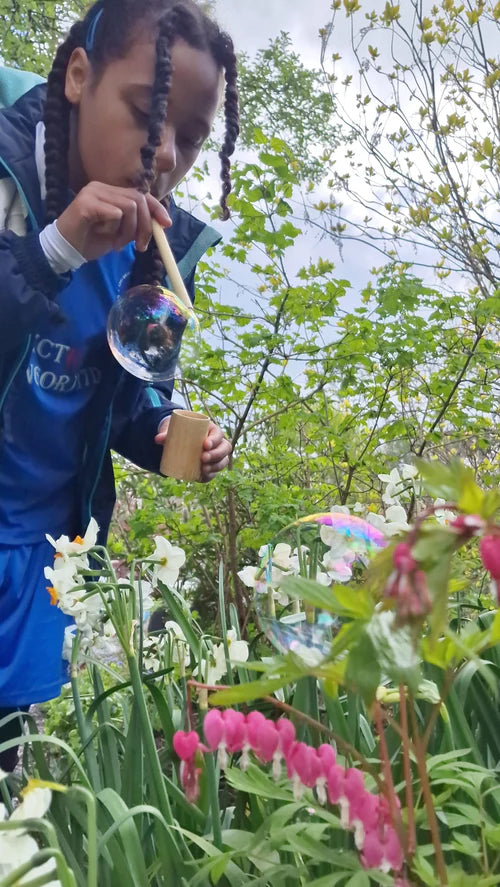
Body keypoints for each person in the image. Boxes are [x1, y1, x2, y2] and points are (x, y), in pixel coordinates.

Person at [0, 0, 239, 771]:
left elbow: (131, 396)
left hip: (43, 561)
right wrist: (56, 248)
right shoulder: (9, 176)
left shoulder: (160, 253)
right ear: (78, 76)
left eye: (192, 139)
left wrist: (162, 431)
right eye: (147, 114)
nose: (165, 154)